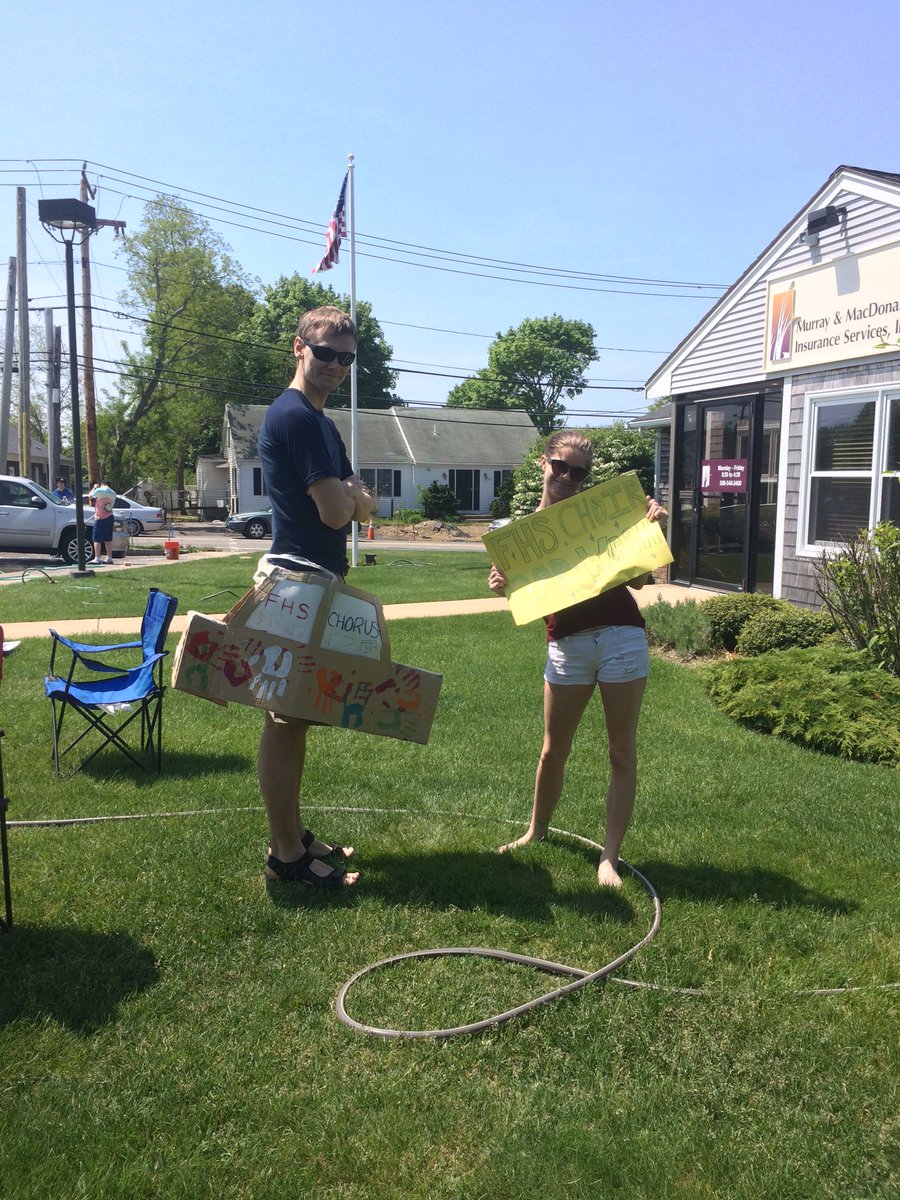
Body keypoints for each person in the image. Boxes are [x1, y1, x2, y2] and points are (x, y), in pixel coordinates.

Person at [487, 431, 667, 888]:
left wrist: (650, 528)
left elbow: (641, 581)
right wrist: (503, 585)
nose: (568, 477)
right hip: (566, 643)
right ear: (543, 464)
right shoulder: (520, 537)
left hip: (621, 637)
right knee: (553, 750)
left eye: (579, 472)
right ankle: (536, 831)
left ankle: (609, 858)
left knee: (621, 752)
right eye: (561, 467)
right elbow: (527, 596)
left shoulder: (603, 516)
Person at [256, 306, 378, 889]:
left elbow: (365, 506)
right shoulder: (297, 418)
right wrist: (352, 498)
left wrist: (354, 499)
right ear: (299, 347)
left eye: (346, 358)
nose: (335, 365)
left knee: (296, 718)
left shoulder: (320, 422)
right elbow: (338, 512)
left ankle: (293, 835)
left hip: (312, 580)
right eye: (325, 352)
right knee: (285, 720)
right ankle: (286, 857)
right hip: (296, 582)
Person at [90, 479, 117, 564]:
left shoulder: (99, 490)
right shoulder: (113, 493)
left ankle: (97, 558)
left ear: (102, 484)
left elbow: (90, 496)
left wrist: (94, 488)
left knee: (96, 539)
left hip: (100, 517)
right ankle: (109, 558)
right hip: (110, 516)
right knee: (107, 539)